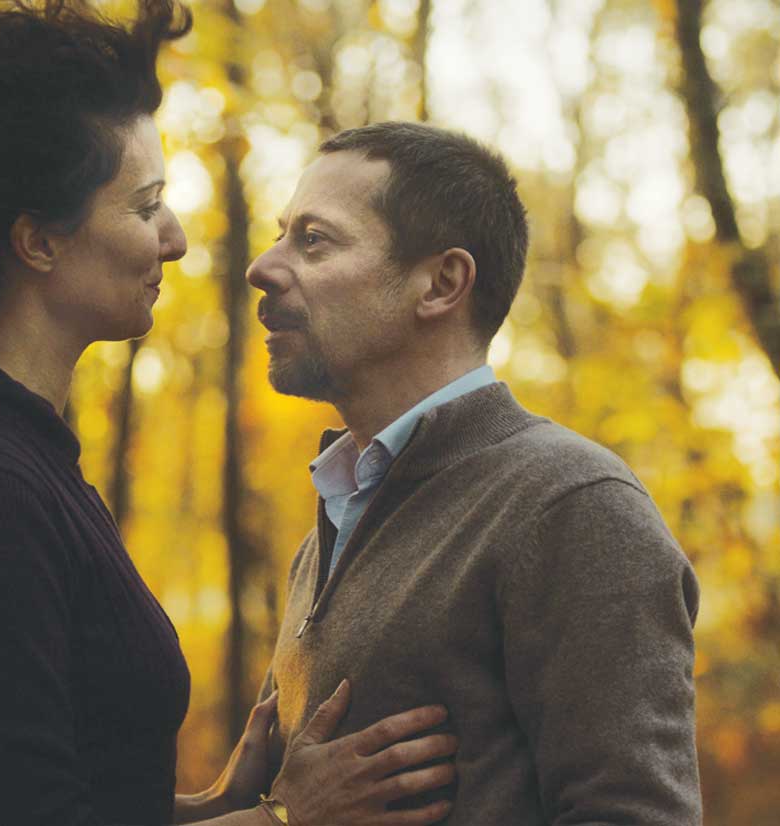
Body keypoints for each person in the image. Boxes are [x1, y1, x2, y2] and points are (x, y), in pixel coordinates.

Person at [0, 2, 461, 824]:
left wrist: (216, 804)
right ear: (39, 241)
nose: (175, 239)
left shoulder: (13, 452)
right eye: (145, 207)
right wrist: (286, 819)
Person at [245, 121, 703, 825]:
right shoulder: (329, 529)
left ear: (442, 283)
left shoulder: (569, 506)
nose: (263, 267)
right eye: (281, 234)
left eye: (313, 240)